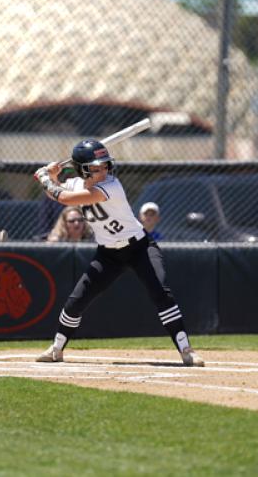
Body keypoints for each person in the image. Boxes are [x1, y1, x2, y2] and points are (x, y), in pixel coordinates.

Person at [34, 139, 204, 366]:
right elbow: (57, 191)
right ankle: (56, 349)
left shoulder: (111, 186)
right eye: (96, 167)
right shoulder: (75, 184)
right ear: (82, 169)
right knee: (77, 300)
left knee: (160, 292)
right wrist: (53, 176)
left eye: (105, 165)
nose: (103, 170)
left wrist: (45, 178)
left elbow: (63, 198)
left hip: (139, 248)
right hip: (108, 254)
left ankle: (186, 350)